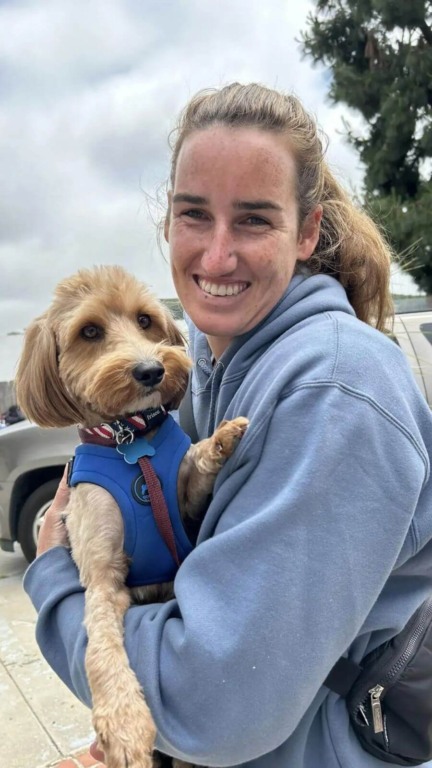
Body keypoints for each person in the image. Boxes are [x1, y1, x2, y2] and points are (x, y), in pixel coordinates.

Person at [24, 83, 432, 768]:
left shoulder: (333, 390)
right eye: (194, 216)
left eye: (252, 220)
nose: (216, 257)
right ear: (168, 227)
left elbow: (211, 704)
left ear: (306, 232)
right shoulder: (220, 373)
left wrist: (52, 577)